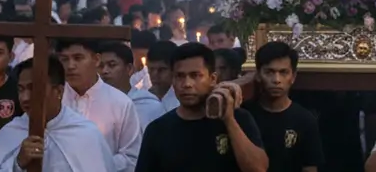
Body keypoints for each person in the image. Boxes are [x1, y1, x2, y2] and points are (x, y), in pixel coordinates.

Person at [135, 42, 267, 172]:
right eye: (180, 76)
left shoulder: (239, 118)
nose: (187, 84)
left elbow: (258, 168)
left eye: (195, 76)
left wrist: (229, 120)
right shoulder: (158, 130)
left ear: (213, 79)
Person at [0, 56, 116, 172]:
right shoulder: (10, 133)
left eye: (33, 88)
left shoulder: (85, 133)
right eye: (21, 90)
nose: (25, 98)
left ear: (58, 91)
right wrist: (18, 163)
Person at [58, 39, 141, 172]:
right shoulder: (52, 99)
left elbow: (131, 157)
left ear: (96, 60)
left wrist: (95, 164)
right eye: (64, 59)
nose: (70, 66)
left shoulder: (120, 103)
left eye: (78, 58)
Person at [243, 42, 324, 172]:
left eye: (283, 72)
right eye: (269, 72)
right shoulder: (245, 115)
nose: (276, 80)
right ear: (258, 75)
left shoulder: (305, 120)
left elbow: (310, 167)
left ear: (293, 77)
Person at [97, 41, 166, 132]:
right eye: (100, 66)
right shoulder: (94, 104)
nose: (104, 71)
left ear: (129, 69)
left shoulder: (148, 106)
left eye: (112, 65)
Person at [145, 41, 180, 111]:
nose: (154, 75)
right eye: (151, 69)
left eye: (161, 69)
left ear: (175, 70)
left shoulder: (182, 101)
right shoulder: (144, 98)